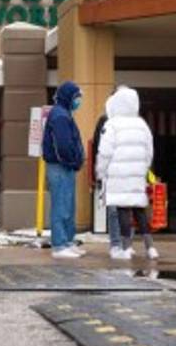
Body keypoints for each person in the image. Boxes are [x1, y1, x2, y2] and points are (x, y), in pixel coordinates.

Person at [95, 86, 157, 261]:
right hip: (137, 175)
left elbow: (104, 152)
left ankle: (126, 248)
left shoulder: (112, 124)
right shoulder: (141, 124)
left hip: (117, 175)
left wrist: (101, 172)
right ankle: (150, 247)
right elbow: (149, 150)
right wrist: (144, 169)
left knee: (122, 211)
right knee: (139, 211)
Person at [41, 81, 86, 259]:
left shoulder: (64, 113)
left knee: (68, 205)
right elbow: (63, 145)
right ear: (69, 97)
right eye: (77, 97)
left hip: (65, 166)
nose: (79, 101)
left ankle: (67, 241)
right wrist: (73, 160)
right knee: (61, 206)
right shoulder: (60, 115)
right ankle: (59, 245)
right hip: (60, 166)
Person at [90, 103, 122, 254]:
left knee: (127, 208)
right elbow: (97, 147)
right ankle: (116, 243)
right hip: (111, 170)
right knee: (114, 209)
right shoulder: (105, 121)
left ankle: (125, 240)